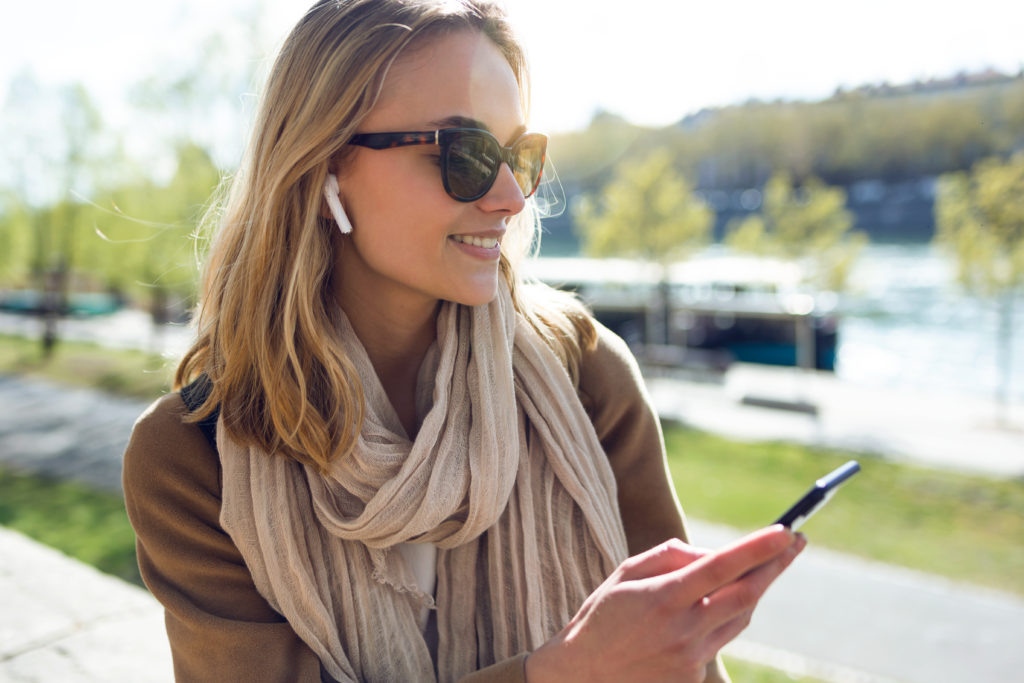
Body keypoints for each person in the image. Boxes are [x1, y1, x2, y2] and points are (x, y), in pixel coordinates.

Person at [122, 1, 805, 681]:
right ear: (323, 164)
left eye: (519, 156)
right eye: (467, 155)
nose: (510, 197)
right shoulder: (191, 457)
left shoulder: (586, 374)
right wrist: (560, 673)